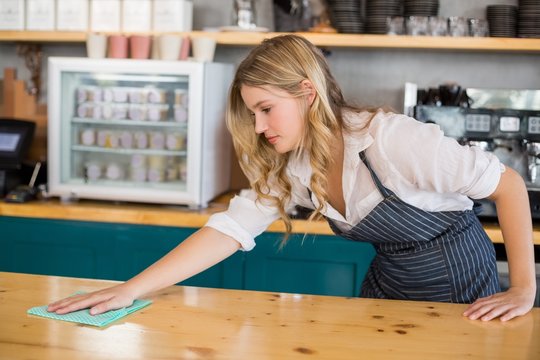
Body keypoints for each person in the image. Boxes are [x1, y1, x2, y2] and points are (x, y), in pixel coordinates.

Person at [48, 34, 536, 322]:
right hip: (389, 284)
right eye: (252, 114)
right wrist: (131, 288)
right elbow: (230, 230)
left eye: (266, 109)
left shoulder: (390, 139)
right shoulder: (294, 164)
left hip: (463, 286)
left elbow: (508, 185)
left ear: (308, 92)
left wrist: (522, 289)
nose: (259, 128)